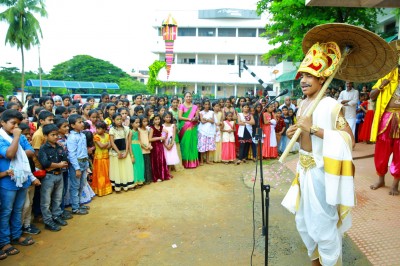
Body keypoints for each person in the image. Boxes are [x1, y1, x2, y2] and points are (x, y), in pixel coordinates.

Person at [282, 42, 355, 266]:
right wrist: (291, 131)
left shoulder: (331, 105)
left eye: (310, 76)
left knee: (323, 224)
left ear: (322, 79)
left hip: (322, 173)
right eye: (302, 75)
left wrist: (313, 129)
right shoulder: (302, 103)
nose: (303, 80)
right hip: (303, 171)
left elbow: (348, 138)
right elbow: (303, 139)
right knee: (305, 223)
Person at [0, 110, 38, 258]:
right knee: (6, 211)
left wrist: (16, 148)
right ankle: (4, 241)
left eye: (18, 124)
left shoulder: (21, 137)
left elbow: (30, 152)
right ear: (2, 122)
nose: (16, 127)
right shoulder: (3, 137)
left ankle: (16, 235)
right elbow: (9, 154)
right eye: (12, 123)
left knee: (18, 209)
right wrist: (16, 139)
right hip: (7, 181)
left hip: (22, 178)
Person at [369, 62, 400, 195]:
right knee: (382, 150)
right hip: (386, 119)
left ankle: (395, 183)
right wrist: (382, 85)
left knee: (399, 151)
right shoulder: (386, 77)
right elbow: (372, 96)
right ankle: (381, 179)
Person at [38, 124, 69, 232]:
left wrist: (58, 165)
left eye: (57, 135)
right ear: (46, 136)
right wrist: (58, 165)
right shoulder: (43, 148)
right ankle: (48, 220)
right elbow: (45, 163)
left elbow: (65, 159)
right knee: (46, 200)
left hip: (59, 174)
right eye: (53, 135)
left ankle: (57, 215)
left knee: (58, 197)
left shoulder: (59, 146)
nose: (56, 137)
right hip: (48, 177)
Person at [67, 114, 90, 215]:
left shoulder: (82, 135)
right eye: (79, 122)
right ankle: (75, 208)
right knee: (75, 186)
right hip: (77, 164)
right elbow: (71, 154)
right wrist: (76, 168)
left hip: (84, 162)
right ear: (72, 125)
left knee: (81, 185)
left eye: (82, 122)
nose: (82, 124)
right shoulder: (72, 137)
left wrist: (87, 164)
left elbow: (84, 150)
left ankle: (79, 203)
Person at [109, 113, 135, 191]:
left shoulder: (126, 129)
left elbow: (127, 141)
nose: (119, 121)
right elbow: (112, 142)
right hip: (116, 153)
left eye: (120, 119)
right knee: (118, 169)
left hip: (124, 151)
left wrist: (127, 152)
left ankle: (128, 185)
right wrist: (118, 153)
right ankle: (118, 186)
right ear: (113, 120)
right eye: (117, 119)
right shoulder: (112, 129)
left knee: (126, 168)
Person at [178, 92, 200, 168]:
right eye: (187, 96)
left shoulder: (195, 107)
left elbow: (197, 117)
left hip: (193, 127)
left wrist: (195, 119)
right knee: (185, 144)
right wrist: (189, 119)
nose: (188, 98)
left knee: (193, 144)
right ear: (184, 97)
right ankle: (185, 162)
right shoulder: (181, 106)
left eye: (190, 96)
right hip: (184, 127)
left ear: (192, 97)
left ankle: (192, 162)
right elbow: (180, 117)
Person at [91, 121, 112, 196]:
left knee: (107, 173)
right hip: (99, 158)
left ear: (104, 129)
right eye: (97, 128)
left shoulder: (107, 135)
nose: (97, 130)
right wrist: (108, 143)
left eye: (99, 129)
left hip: (106, 156)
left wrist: (107, 144)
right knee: (100, 174)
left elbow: (110, 146)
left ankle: (107, 189)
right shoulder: (96, 137)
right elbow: (101, 146)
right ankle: (100, 190)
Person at [149, 113, 171, 182]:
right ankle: (157, 176)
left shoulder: (161, 127)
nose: (157, 121)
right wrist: (160, 137)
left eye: (158, 119)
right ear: (153, 121)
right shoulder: (152, 128)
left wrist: (165, 135)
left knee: (161, 160)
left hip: (160, 146)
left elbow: (165, 134)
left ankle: (163, 175)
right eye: (155, 119)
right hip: (154, 146)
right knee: (156, 160)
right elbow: (150, 139)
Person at [197, 100, 216, 165]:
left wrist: (207, 119)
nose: (207, 106)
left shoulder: (212, 112)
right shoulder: (201, 112)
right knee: (202, 145)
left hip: (210, 131)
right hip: (202, 131)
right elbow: (202, 121)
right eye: (205, 104)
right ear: (203, 105)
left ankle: (207, 160)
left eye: (208, 104)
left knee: (208, 146)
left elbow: (213, 121)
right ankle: (201, 161)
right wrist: (209, 120)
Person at [129, 116, 145, 186]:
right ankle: (135, 181)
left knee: (139, 163)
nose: (138, 124)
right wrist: (131, 155)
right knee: (134, 165)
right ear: (132, 124)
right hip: (133, 148)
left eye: (139, 122)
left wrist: (145, 146)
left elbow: (139, 140)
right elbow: (129, 143)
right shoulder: (130, 132)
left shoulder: (138, 131)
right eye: (136, 122)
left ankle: (140, 180)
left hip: (138, 148)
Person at [138, 115, 153, 184]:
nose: (145, 123)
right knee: (143, 164)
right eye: (144, 121)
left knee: (148, 164)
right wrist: (144, 147)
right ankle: (144, 179)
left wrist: (149, 145)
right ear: (140, 122)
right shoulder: (139, 130)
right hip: (142, 149)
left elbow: (149, 139)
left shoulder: (147, 129)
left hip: (147, 148)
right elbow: (139, 140)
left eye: (146, 121)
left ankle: (148, 178)